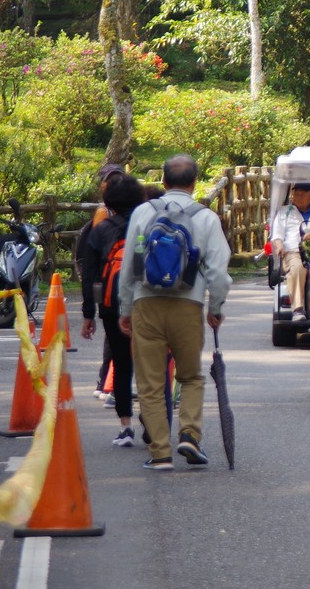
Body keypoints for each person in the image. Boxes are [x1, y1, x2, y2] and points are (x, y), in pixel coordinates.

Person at [117, 155, 233, 471]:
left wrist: (126, 308)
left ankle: (160, 454)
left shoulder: (143, 212)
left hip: (146, 304)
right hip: (188, 305)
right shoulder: (206, 218)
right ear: (194, 184)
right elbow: (219, 273)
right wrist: (216, 308)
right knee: (191, 376)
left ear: (164, 182)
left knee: (151, 384)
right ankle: (190, 435)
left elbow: (129, 266)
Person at [79, 172, 145, 448]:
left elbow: (88, 275)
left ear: (109, 200)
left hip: (112, 304)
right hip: (146, 301)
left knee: (121, 361)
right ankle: (153, 422)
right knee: (149, 364)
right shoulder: (146, 225)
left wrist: (88, 314)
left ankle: (126, 427)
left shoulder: (100, 230)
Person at [271, 182, 310, 322]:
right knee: (298, 268)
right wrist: (279, 246)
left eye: (303, 194)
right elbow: (277, 235)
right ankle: (298, 309)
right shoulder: (284, 212)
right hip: (294, 251)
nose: (298, 196)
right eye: (296, 193)